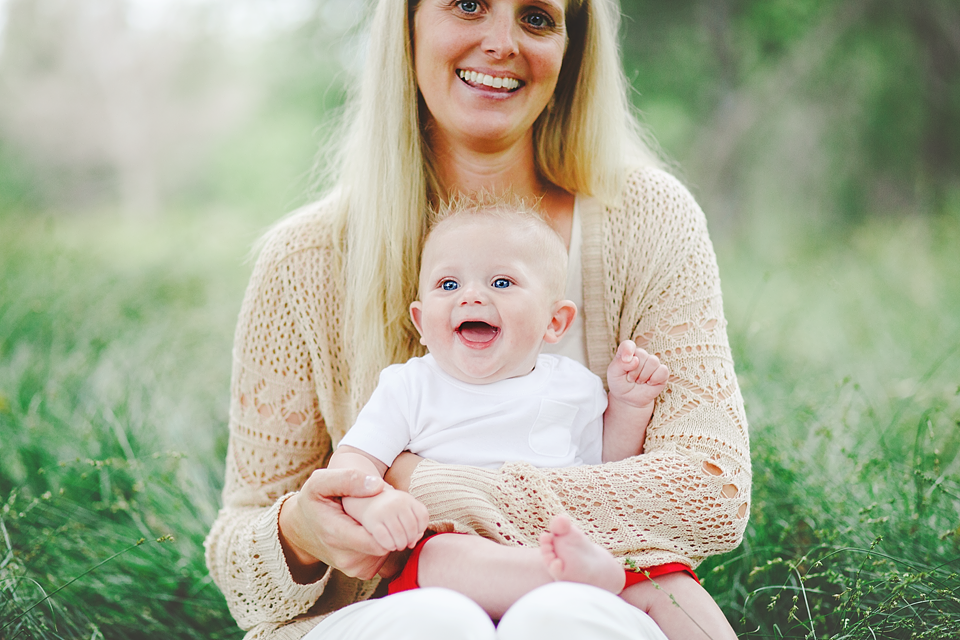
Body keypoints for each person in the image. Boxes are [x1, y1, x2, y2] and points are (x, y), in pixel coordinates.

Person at [204, 0, 751, 639]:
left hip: (589, 603)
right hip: (388, 610)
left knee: (566, 617)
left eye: (538, 17)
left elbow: (710, 492)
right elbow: (241, 571)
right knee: (438, 620)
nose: (502, 42)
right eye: (468, 4)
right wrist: (300, 528)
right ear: (406, 25)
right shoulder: (306, 260)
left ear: (573, 50)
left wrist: (424, 484)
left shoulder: (650, 221)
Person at [329, 197, 736, 639]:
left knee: (670, 580)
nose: (471, 295)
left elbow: (609, 466)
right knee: (439, 556)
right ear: (421, 321)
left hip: (567, 538)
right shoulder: (408, 386)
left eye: (502, 282)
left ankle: (581, 574)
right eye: (448, 285)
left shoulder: (573, 386)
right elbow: (351, 463)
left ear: (555, 322)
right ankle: (571, 576)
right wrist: (377, 502)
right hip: (468, 546)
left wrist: (630, 407)